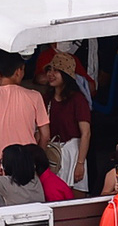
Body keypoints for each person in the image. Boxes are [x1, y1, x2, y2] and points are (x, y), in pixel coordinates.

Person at [0, 50, 49, 174]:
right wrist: (39, 160)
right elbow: (45, 135)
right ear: (18, 71)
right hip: (28, 165)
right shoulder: (35, 96)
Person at [39, 53, 93, 190]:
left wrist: (80, 163)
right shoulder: (46, 99)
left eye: (56, 70)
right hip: (52, 154)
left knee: (75, 194)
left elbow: (85, 133)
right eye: (49, 70)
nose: (51, 74)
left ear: (66, 74)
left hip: (74, 153)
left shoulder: (78, 100)